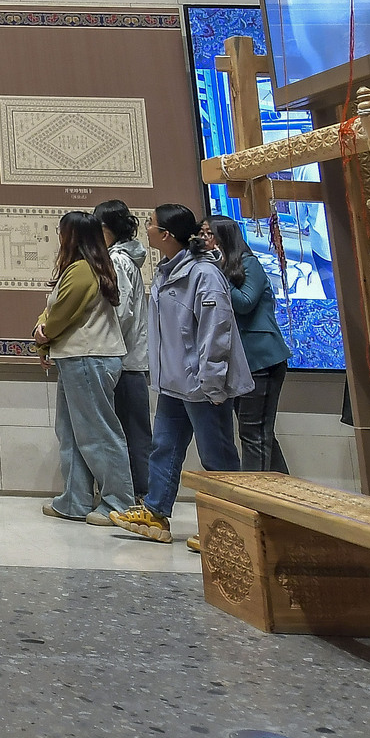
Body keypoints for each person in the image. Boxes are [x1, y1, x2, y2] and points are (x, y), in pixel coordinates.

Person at [110, 204, 254, 545]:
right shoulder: (165, 270)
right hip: (175, 383)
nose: (145, 227)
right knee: (164, 447)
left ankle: (230, 528)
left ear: (166, 235)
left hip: (204, 384)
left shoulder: (204, 274)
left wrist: (213, 381)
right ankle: (156, 513)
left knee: (216, 456)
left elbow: (215, 332)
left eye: (151, 224)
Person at [36, 211, 135, 525]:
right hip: (78, 357)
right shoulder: (91, 265)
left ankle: (117, 503)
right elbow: (54, 310)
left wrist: (42, 335)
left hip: (88, 357)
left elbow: (61, 314)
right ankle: (74, 500)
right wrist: (45, 330)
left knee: (99, 434)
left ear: (73, 235)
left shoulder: (81, 269)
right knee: (72, 433)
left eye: (61, 231)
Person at [206, 215, 291, 473]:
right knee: (258, 434)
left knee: (253, 433)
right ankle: (284, 493)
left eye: (207, 233)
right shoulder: (214, 269)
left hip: (262, 359)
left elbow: (244, 302)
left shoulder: (249, 263)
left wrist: (218, 275)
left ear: (223, 237)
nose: (202, 240)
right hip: (239, 362)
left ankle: (258, 500)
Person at [96, 200, 152, 500]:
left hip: (124, 360)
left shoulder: (118, 261)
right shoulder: (122, 258)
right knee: (132, 430)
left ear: (106, 230)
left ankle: (139, 493)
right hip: (126, 358)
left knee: (132, 433)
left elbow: (121, 311)